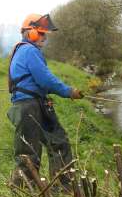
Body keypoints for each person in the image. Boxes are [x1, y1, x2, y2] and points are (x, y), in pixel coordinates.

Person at [7, 13, 83, 187]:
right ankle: (24, 190)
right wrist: (68, 91)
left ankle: (61, 187)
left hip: (33, 103)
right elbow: (45, 79)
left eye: (45, 34)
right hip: (29, 106)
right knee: (30, 151)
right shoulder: (30, 50)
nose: (44, 37)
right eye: (41, 33)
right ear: (29, 32)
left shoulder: (23, 50)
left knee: (56, 142)